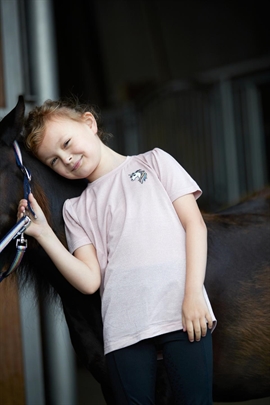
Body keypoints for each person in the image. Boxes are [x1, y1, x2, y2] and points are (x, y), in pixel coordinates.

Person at [18, 98, 216, 405]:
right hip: (124, 331)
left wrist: (192, 296)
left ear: (89, 123)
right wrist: (43, 233)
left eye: (67, 143)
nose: (66, 158)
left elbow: (195, 226)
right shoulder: (76, 209)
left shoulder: (155, 162)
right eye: (54, 160)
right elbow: (89, 281)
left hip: (181, 313)